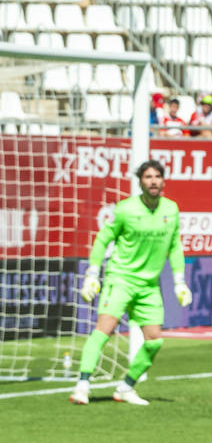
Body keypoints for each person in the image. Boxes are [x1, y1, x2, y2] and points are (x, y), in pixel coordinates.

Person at [70, 160, 190, 407]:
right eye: (148, 177)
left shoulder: (171, 209)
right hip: (121, 279)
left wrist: (179, 281)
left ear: (163, 180)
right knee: (104, 330)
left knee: (155, 340)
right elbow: (103, 238)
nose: (153, 181)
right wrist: (92, 274)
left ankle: (126, 387)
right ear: (140, 182)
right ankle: (82, 385)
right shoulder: (126, 209)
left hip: (149, 286)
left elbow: (175, 245)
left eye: (157, 176)